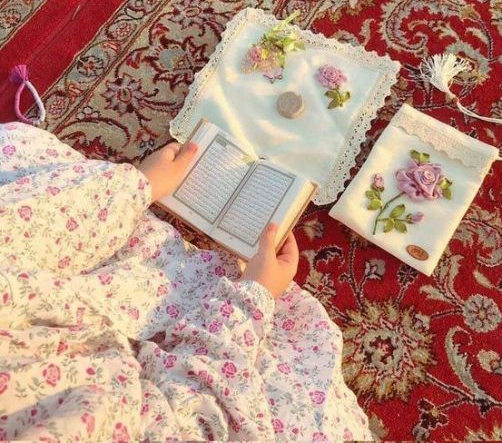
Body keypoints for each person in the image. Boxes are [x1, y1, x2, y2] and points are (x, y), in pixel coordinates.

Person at [0, 122, 371, 442]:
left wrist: (137, 187)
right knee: (305, 409)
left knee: (17, 153)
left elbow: (19, 232)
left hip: (60, 316)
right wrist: (253, 298)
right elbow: (199, 418)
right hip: (141, 387)